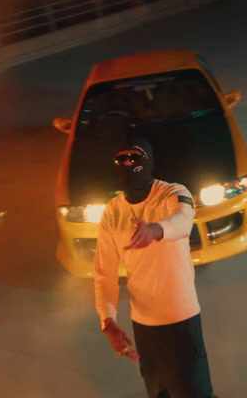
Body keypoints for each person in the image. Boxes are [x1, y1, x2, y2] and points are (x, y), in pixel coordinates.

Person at [94, 137, 215, 398]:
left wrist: (157, 230)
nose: (127, 163)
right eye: (121, 159)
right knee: (158, 392)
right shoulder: (111, 212)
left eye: (134, 157)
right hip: (144, 325)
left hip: (181, 318)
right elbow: (105, 272)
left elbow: (184, 220)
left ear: (147, 161)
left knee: (195, 392)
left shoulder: (172, 192)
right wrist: (108, 321)